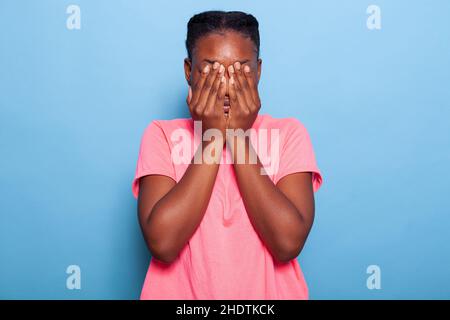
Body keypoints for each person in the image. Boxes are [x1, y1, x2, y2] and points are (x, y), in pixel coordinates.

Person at [132, 10, 323, 299]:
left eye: (240, 71)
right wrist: (212, 137)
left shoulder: (289, 134)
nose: (225, 87)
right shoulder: (161, 135)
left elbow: (287, 243)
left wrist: (237, 136)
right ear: (188, 71)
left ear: (258, 71)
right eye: (210, 70)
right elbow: (163, 243)